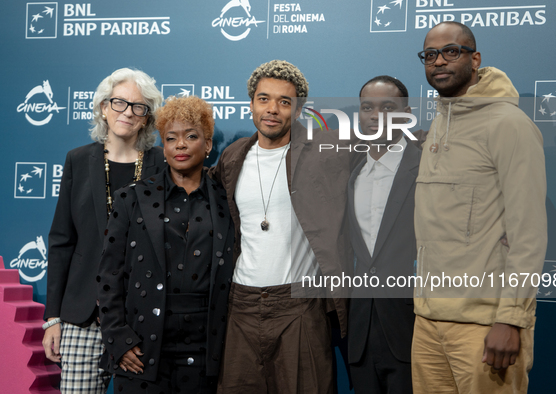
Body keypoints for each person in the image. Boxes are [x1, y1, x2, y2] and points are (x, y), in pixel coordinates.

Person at [412, 22, 547, 393]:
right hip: (427, 321)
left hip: (486, 325)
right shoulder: (439, 124)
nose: (439, 61)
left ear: (475, 59)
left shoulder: (508, 124)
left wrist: (511, 319)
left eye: (451, 51)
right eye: (430, 55)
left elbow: (529, 234)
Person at [210, 60, 353, 394]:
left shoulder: (324, 150)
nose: (272, 109)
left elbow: (383, 142)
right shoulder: (233, 157)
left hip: (300, 307)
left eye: (284, 102)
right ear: (251, 104)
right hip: (240, 306)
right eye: (264, 99)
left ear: (299, 109)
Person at [96, 95, 235, 393]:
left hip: (206, 352)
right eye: (171, 138)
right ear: (163, 146)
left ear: (208, 144)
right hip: (142, 350)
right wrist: (118, 339)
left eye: (191, 136)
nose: (180, 145)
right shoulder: (130, 198)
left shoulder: (228, 203)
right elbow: (108, 276)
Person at [42, 68, 166, 393]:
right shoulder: (78, 161)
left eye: (138, 106)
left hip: (140, 319)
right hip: (83, 316)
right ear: (103, 107)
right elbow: (61, 242)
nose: (127, 112)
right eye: (119, 102)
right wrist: (52, 318)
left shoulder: (162, 165)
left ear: (147, 117)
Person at [347, 76, 419, 393]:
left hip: (412, 329)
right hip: (359, 334)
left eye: (388, 107)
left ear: (408, 113)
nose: (376, 116)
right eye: (368, 107)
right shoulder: (350, 171)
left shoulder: (428, 167)